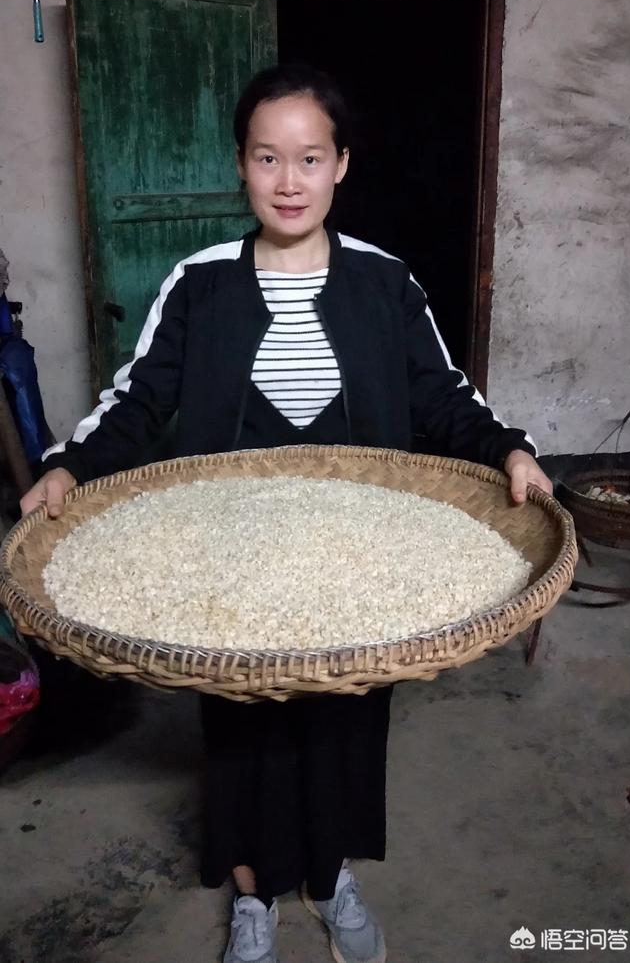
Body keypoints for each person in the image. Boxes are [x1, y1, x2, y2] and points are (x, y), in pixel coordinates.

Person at [22, 64, 552, 963]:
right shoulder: (201, 282)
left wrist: (507, 445)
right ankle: (254, 894)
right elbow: (139, 398)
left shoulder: (384, 282)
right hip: (230, 551)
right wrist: (70, 466)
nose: (290, 180)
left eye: (310, 157)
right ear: (241, 165)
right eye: (269, 157)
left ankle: (330, 877)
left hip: (359, 551)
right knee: (241, 720)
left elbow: (440, 390)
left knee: (348, 716)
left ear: (342, 164)